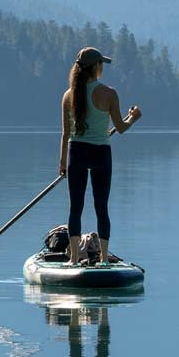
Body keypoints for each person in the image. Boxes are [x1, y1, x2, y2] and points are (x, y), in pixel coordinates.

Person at [58, 47, 142, 265]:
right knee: (101, 206)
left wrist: (62, 163)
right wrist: (134, 117)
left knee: (75, 207)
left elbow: (66, 134)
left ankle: (74, 259)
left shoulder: (68, 95)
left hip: (75, 153)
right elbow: (121, 127)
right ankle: (104, 259)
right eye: (101, 64)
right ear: (95, 67)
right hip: (100, 154)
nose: (102, 67)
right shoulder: (109, 93)